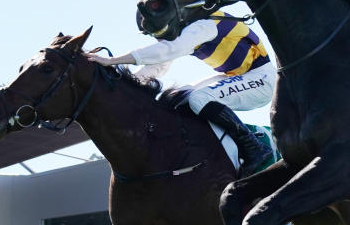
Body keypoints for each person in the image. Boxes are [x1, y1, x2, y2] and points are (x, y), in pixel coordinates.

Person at [86, 11, 274, 176]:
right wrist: (120, 88)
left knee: (198, 99)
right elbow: (159, 64)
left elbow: (168, 50)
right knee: (178, 99)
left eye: (159, 32)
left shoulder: (203, 26)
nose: (158, 39)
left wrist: (112, 61)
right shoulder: (189, 29)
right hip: (237, 76)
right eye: (153, 35)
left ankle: (254, 147)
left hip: (262, 78)